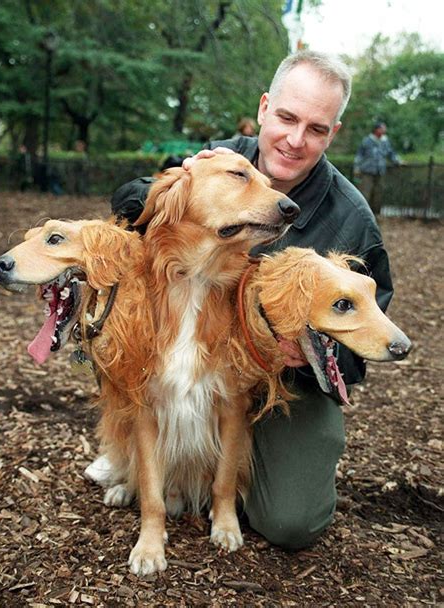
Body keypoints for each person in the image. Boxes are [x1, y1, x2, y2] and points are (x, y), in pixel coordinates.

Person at [96, 50, 393, 551]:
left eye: (316, 129)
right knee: (118, 330)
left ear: (333, 134)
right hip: (196, 345)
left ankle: (230, 481)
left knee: (290, 523)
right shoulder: (220, 161)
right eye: (286, 117)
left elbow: (364, 338)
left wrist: (314, 357)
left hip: (285, 380)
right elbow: (134, 206)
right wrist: (177, 178)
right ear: (263, 108)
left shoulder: (351, 220)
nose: (296, 140)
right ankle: (140, 461)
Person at [354, 121, 402, 216]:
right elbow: (359, 155)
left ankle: (376, 214)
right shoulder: (367, 140)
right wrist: (357, 167)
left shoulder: (385, 141)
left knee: (378, 193)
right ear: (376, 129)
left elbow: (390, 153)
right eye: (382, 128)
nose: (384, 130)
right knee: (365, 192)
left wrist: (398, 161)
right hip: (367, 171)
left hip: (380, 171)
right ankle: (362, 214)